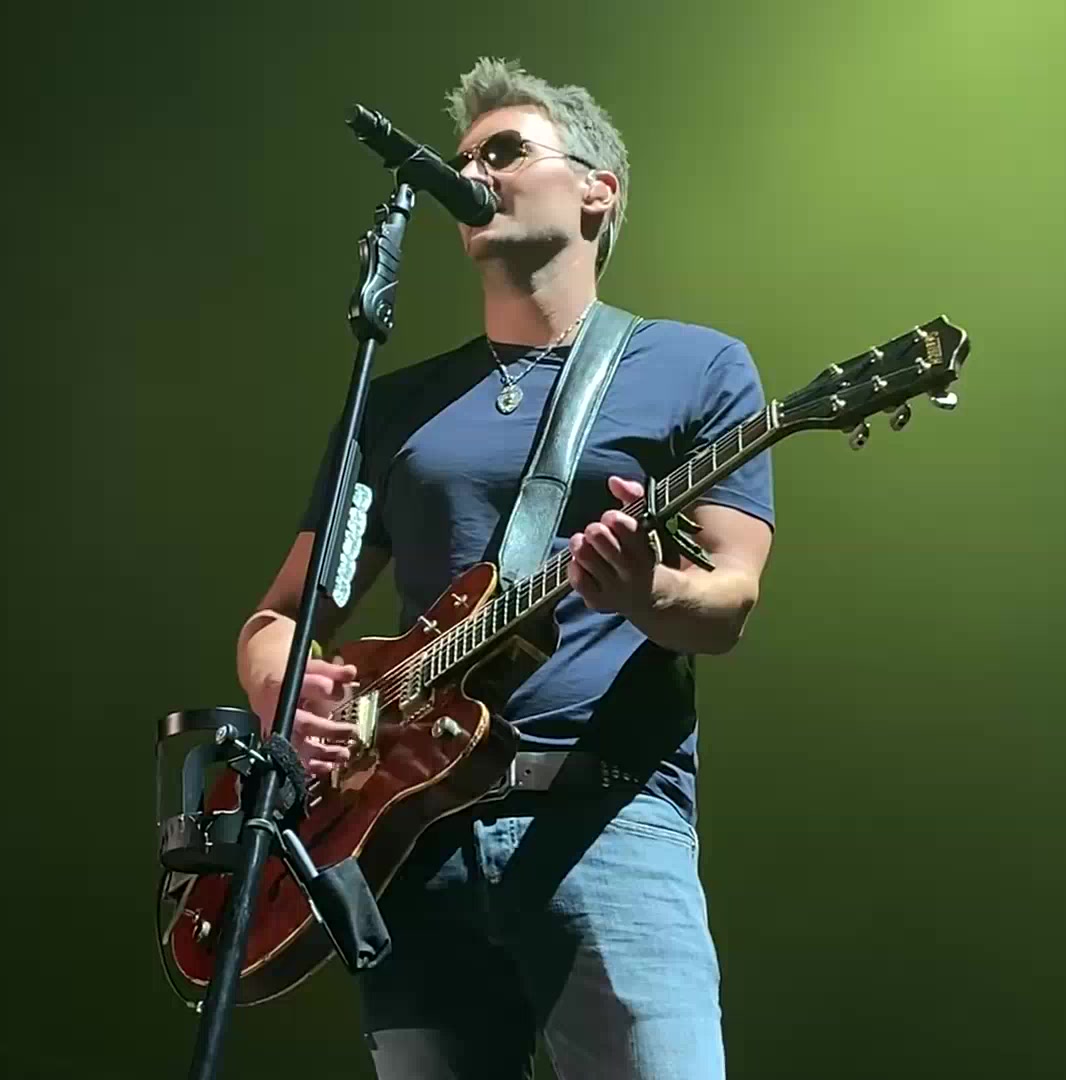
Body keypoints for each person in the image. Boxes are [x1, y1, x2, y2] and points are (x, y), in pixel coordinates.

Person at [236, 57, 774, 1079]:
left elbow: (730, 602)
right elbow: (282, 617)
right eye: (466, 158)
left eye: (506, 151)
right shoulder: (395, 405)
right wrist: (279, 686)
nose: (473, 172)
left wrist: (646, 590)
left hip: (603, 822)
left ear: (596, 190)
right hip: (407, 844)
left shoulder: (697, 366)